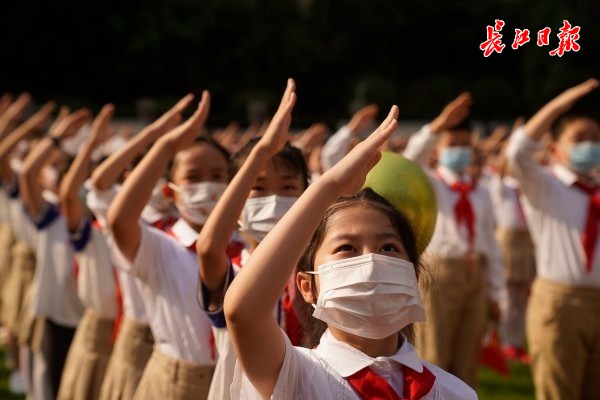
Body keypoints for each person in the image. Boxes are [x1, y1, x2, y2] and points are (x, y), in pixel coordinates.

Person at [224, 103, 476, 399]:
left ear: (413, 275)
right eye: (347, 248)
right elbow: (244, 312)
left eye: (388, 247)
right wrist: (329, 187)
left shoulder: (456, 393)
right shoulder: (297, 376)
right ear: (306, 286)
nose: (371, 261)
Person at [107, 91, 224, 399]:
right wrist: (166, 146)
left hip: (231, 382)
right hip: (174, 381)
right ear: (171, 192)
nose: (207, 186)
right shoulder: (161, 246)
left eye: (217, 176)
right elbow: (119, 220)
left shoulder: (243, 248)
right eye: (193, 178)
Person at [196, 79, 308, 400]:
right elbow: (208, 249)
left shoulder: (320, 272)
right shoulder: (233, 273)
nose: (273, 199)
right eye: (257, 188)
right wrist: (260, 152)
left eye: (288, 187)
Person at [505, 78, 600, 400]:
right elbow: (518, 151)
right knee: (559, 391)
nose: (590, 145)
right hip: (561, 302)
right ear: (555, 149)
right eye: (579, 138)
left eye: (595, 138)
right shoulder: (546, 185)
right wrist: (561, 104)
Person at [402, 93, 504, 387]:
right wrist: (436, 127)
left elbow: (489, 242)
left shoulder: (481, 191)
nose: (459, 151)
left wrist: (495, 291)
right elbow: (409, 161)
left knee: (468, 354)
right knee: (434, 352)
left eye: (465, 145)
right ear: (437, 151)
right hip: (439, 272)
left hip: (474, 271)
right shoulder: (429, 183)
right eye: (452, 145)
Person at [97, 95, 193, 400]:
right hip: (141, 333)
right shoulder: (132, 223)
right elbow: (100, 183)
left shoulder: (184, 222)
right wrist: (154, 136)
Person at [18, 107, 90, 397]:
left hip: (91, 323)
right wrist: (57, 136)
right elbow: (26, 173)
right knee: (52, 387)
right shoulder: (51, 216)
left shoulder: (97, 221)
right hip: (58, 319)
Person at [56, 104, 119, 400]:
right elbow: (68, 194)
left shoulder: (149, 234)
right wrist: (92, 142)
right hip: (98, 332)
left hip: (129, 336)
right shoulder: (92, 233)